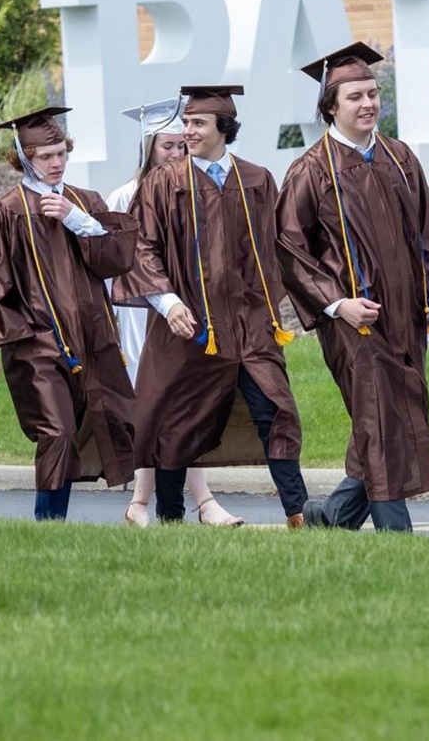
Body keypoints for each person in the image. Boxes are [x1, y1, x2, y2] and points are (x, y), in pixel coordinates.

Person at [276, 42, 429, 533]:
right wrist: (336, 304)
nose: (368, 103)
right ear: (331, 106)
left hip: (406, 315)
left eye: (372, 93)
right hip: (355, 320)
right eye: (355, 97)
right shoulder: (311, 170)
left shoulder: (400, 157)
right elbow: (289, 248)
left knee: (394, 412)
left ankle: (331, 516)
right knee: (379, 414)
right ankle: (397, 534)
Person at [112, 85, 309, 527]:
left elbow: (276, 248)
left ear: (224, 127)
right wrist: (166, 302)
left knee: (276, 410)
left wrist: (268, 307)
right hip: (189, 325)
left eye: (197, 123)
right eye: (186, 123)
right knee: (175, 421)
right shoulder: (164, 182)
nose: (187, 131)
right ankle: (169, 518)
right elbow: (143, 247)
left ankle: (297, 513)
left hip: (249, 324)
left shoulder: (256, 179)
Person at [0, 106, 138, 521]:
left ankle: (143, 510)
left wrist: (80, 222)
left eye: (60, 152)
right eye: (45, 156)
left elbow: (117, 261)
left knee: (108, 420)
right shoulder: (6, 212)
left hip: (93, 339)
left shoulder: (86, 203)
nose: (56, 162)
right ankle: (48, 523)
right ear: (23, 158)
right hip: (37, 344)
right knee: (57, 432)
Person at [107, 98, 242, 527]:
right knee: (157, 410)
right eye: (167, 146)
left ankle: (151, 504)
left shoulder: (196, 187)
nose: (177, 151)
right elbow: (128, 264)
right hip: (145, 315)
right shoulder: (126, 195)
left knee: (187, 410)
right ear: (149, 148)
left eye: (180, 145)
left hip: (190, 319)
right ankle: (174, 503)